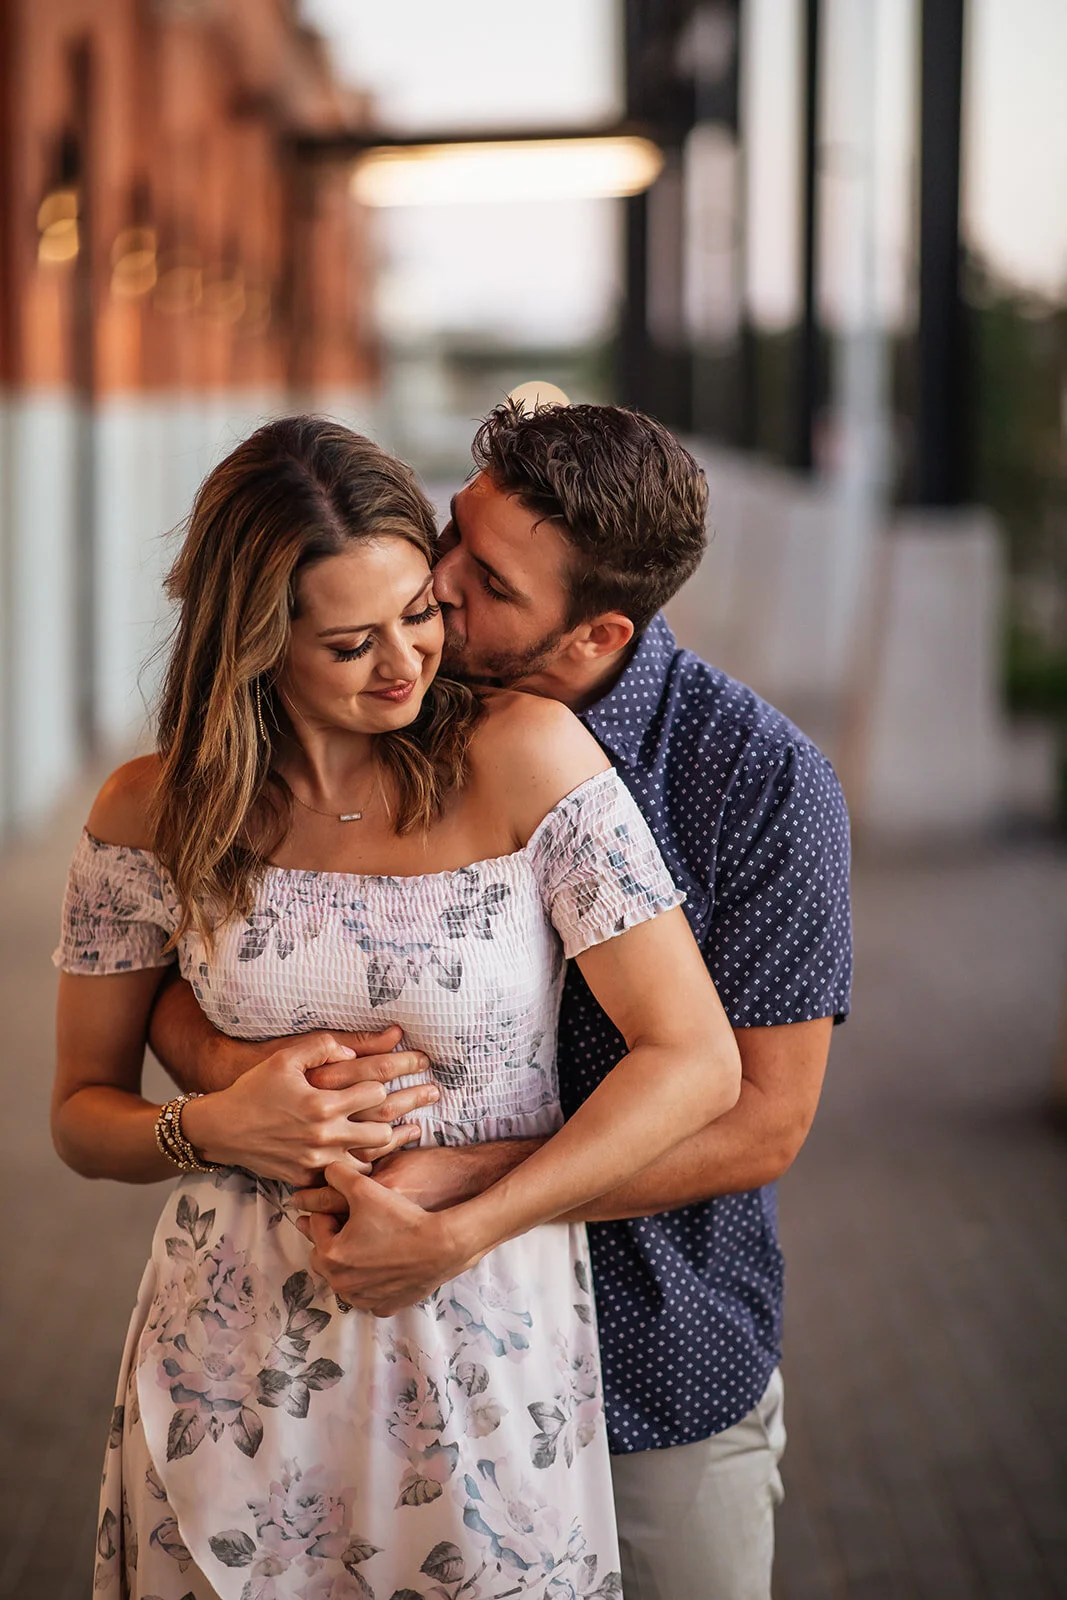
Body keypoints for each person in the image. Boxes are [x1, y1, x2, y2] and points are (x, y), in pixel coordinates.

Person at [148, 402, 853, 1599]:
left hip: (649, 1354)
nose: (439, 587)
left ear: (594, 634)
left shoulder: (760, 782)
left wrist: (465, 1194)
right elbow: (184, 968)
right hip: (360, 1355)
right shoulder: (381, 700)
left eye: (489, 581)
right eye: (454, 535)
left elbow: (759, 1121)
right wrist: (228, 1076)